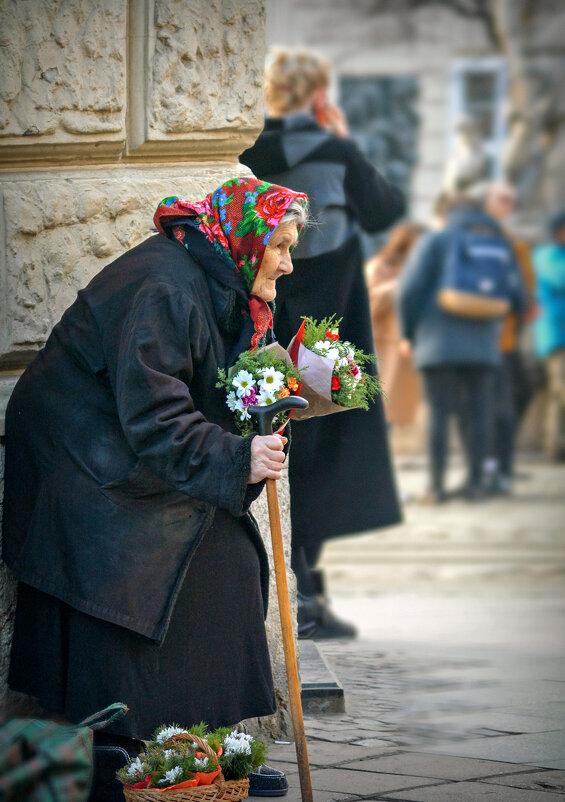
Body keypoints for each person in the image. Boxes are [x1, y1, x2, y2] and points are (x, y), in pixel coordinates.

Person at [2, 177, 308, 799]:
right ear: (246, 241)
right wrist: (236, 455)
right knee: (195, 555)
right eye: (279, 245)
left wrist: (273, 404)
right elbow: (156, 416)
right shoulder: (166, 285)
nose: (288, 261)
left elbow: (198, 384)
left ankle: (196, 747)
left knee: (226, 549)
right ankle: (132, 748)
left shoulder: (212, 276)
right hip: (80, 460)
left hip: (115, 443)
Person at [240, 47, 404, 639]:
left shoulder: (252, 151)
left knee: (279, 447)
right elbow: (388, 207)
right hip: (330, 341)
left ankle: (303, 591)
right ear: (318, 94)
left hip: (271, 331)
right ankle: (307, 595)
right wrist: (342, 135)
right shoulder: (333, 150)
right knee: (324, 457)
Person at [397, 198, 527, 503]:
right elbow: (519, 298)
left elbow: (409, 290)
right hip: (483, 345)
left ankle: (437, 487)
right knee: (481, 412)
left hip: (437, 343)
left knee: (439, 413)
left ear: (447, 215)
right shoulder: (498, 246)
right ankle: (475, 484)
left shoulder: (436, 241)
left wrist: (408, 333)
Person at [480, 181, 536, 492]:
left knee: (516, 395)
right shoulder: (494, 241)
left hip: (508, 335)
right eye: (502, 199)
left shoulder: (514, 242)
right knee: (497, 405)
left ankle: (499, 465)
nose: (508, 205)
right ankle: (494, 467)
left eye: (511, 200)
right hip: (491, 338)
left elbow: (524, 288)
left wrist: (527, 305)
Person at [367, 222, 425, 427]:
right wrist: (397, 287)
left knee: (394, 412)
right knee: (377, 406)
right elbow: (368, 305)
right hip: (381, 343)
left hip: (407, 349)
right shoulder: (380, 267)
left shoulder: (421, 272)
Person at [532, 210, 565, 461]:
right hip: (556, 336)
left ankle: (555, 446)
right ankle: (555, 447)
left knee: (557, 393)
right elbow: (560, 278)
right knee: (560, 390)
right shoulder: (546, 255)